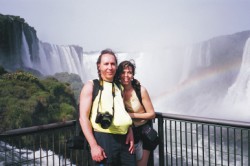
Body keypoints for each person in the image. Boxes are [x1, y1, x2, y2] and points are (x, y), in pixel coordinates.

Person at [79, 49, 136, 166]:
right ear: (99, 66)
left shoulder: (119, 87)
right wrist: (94, 145)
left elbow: (122, 112)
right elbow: (83, 118)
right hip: (104, 140)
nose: (110, 67)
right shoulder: (91, 86)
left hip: (125, 141)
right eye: (106, 64)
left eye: (113, 64)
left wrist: (129, 130)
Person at [115, 60, 156, 166]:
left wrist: (131, 116)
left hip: (143, 134)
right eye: (123, 72)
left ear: (133, 75)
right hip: (125, 134)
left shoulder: (140, 90)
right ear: (119, 74)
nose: (126, 75)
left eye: (129, 72)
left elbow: (152, 114)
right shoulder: (117, 90)